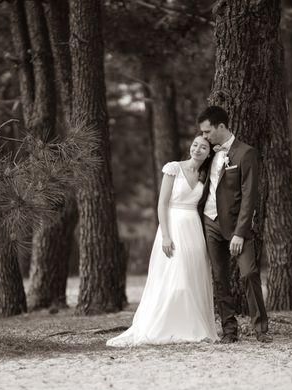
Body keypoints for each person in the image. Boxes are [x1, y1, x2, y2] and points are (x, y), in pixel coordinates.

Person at [107, 135, 219, 347]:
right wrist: (166, 235)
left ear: (208, 153)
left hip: (193, 229)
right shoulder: (173, 169)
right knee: (175, 275)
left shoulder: (206, 176)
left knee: (193, 275)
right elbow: (161, 204)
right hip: (173, 225)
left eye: (203, 147)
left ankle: (194, 326)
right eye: (195, 145)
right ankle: (166, 325)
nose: (197, 149)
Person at [197, 106, 271, 343]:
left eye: (208, 131)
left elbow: (250, 196)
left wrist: (240, 233)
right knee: (220, 279)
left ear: (221, 126)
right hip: (210, 223)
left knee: (249, 273)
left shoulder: (245, 153)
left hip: (237, 227)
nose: (205, 136)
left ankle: (261, 329)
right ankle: (229, 331)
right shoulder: (209, 153)